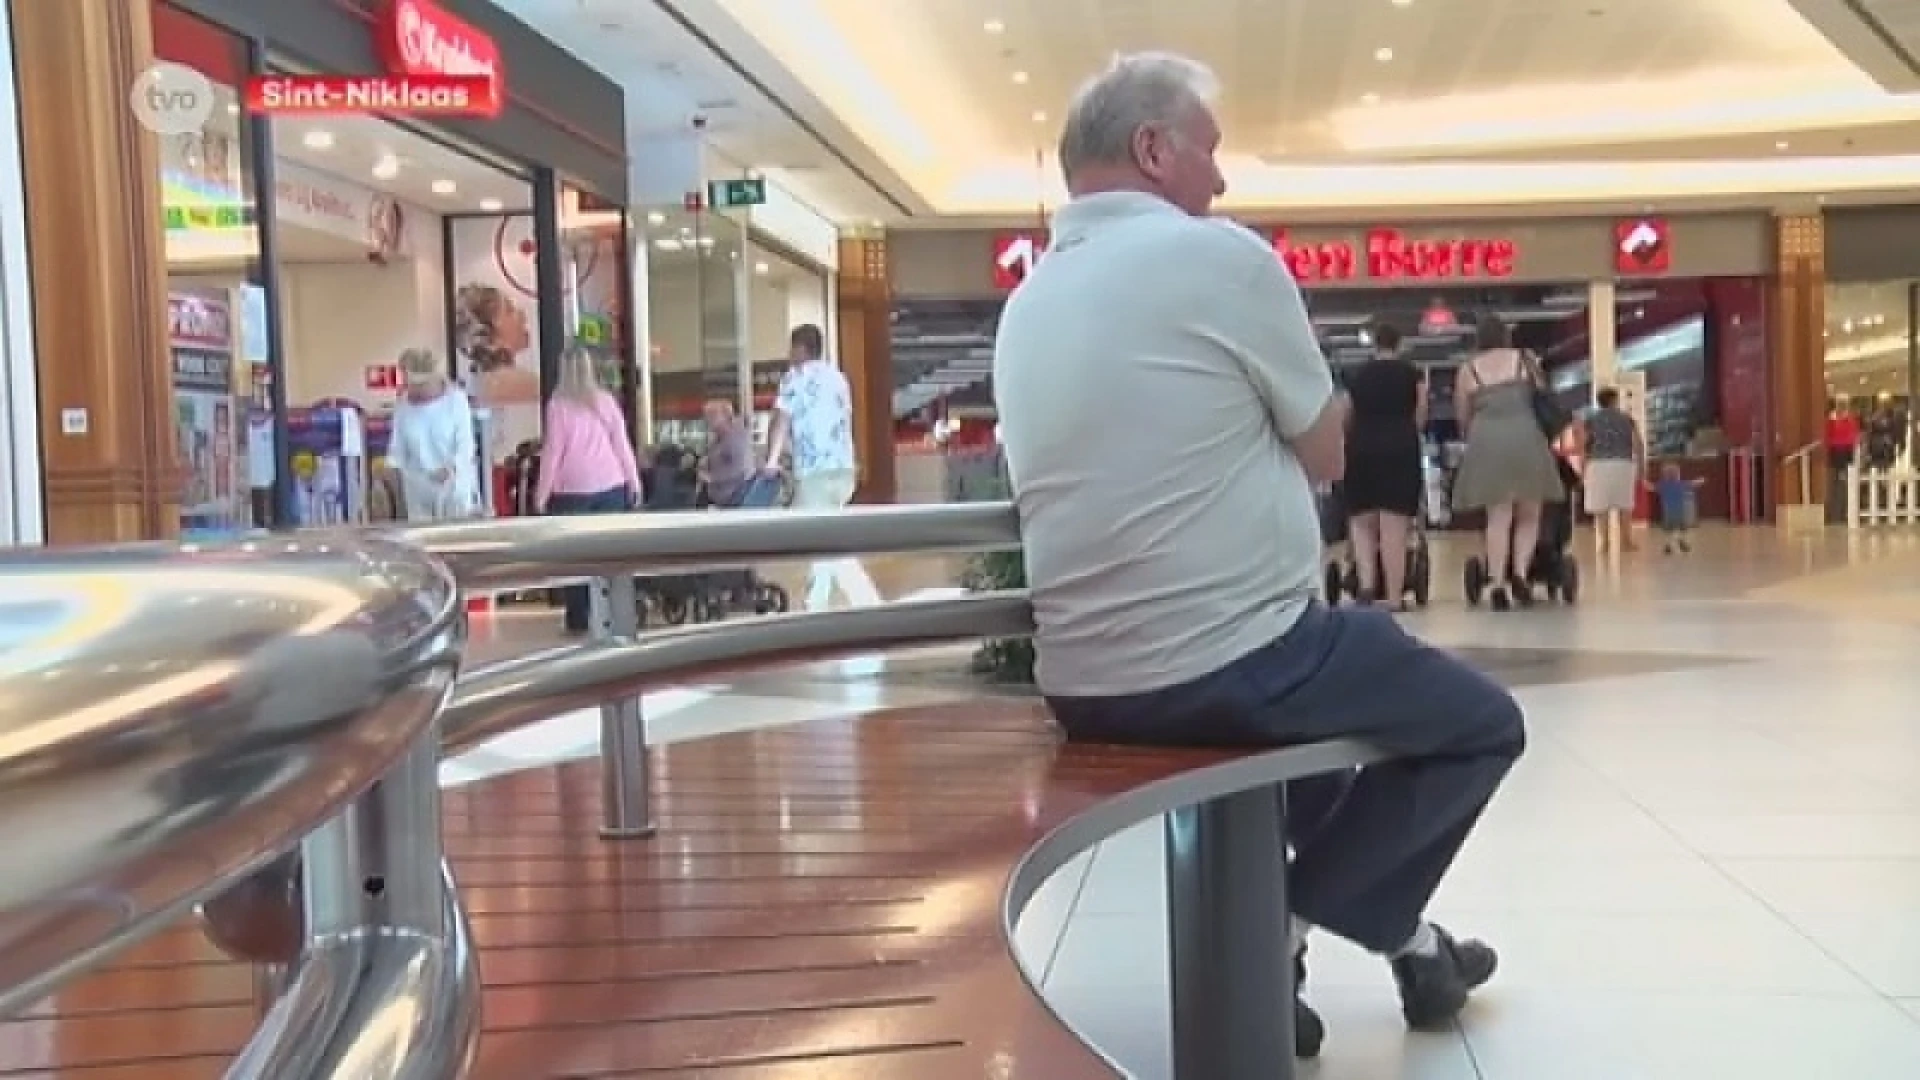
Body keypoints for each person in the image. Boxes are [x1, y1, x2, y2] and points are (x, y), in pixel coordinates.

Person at [992, 51, 1525, 1059]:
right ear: (1154, 150)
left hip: (1083, 680)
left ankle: (1418, 950)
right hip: (1231, 657)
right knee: (1478, 724)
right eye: (1211, 150)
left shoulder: (1028, 302)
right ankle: (1280, 929)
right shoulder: (1222, 259)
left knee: (1332, 747)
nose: (1222, 179)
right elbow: (1326, 449)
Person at [1450, 315, 1565, 610]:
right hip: (1526, 436)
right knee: (1529, 513)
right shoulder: (1524, 360)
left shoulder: (1467, 370)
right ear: (1505, 336)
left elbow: (1462, 417)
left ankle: (1497, 582)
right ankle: (1521, 574)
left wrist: (1474, 433)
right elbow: (1543, 393)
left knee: (1497, 518)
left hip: (1487, 440)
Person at [763, 324, 880, 610]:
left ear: (800, 348)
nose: (789, 354)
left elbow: (781, 421)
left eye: (791, 348)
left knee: (821, 535)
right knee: (827, 532)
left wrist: (771, 460)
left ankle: (863, 596)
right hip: (843, 468)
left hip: (814, 469)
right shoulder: (838, 378)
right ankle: (818, 598)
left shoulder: (794, 378)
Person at [535, 346, 643, 633]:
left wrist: (541, 494)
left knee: (575, 558)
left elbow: (553, 453)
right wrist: (634, 481)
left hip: (572, 491)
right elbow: (622, 444)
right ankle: (617, 614)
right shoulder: (606, 402)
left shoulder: (557, 406)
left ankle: (579, 618)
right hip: (611, 484)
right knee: (610, 554)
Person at [1343, 323, 1427, 609]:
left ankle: (1366, 586)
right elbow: (1420, 415)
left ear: (1374, 343)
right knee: (1394, 527)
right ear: (1400, 343)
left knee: (1362, 521)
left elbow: (1346, 415)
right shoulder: (1412, 375)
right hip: (1399, 448)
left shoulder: (1357, 375)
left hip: (1361, 448)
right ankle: (1393, 596)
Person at [387, 348, 480, 523]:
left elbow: (465, 444)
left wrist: (453, 467)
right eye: (411, 385)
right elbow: (397, 449)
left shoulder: (456, 401)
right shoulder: (403, 408)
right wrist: (391, 470)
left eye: (420, 385)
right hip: (418, 490)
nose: (415, 390)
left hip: (453, 488)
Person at [1581, 387, 1643, 553]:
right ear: (1614, 400)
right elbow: (1637, 443)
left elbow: (1585, 445)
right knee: (1624, 505)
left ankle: (1605, 543)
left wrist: (1583, 467)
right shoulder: (1627, 419)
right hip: (1623, 463)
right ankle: (1627, 541)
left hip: (1598, 464)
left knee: (1601, 507)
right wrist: (1642, 466)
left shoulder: (1591, 420)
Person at [700, 398, 755, 507]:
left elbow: (741, 470)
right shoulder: (718, 440)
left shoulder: (735, 438)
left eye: (712, 415)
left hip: (734, 498)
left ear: (726, 417)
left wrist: (712, 478)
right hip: (721, 499)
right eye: (706, 416)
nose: (707, 420)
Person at [1653, 462, 1702, 554]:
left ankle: (1668, 546)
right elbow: (1693, 484)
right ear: (1677, 475)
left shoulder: (1663, 485)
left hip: (1668, 513)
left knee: (1669, 530)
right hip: (1680, 512)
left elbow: (1652, 487)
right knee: (1683, 529)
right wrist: (1700, 480)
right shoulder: (1681, 484)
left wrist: (1643, 482)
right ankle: (1682, 542)